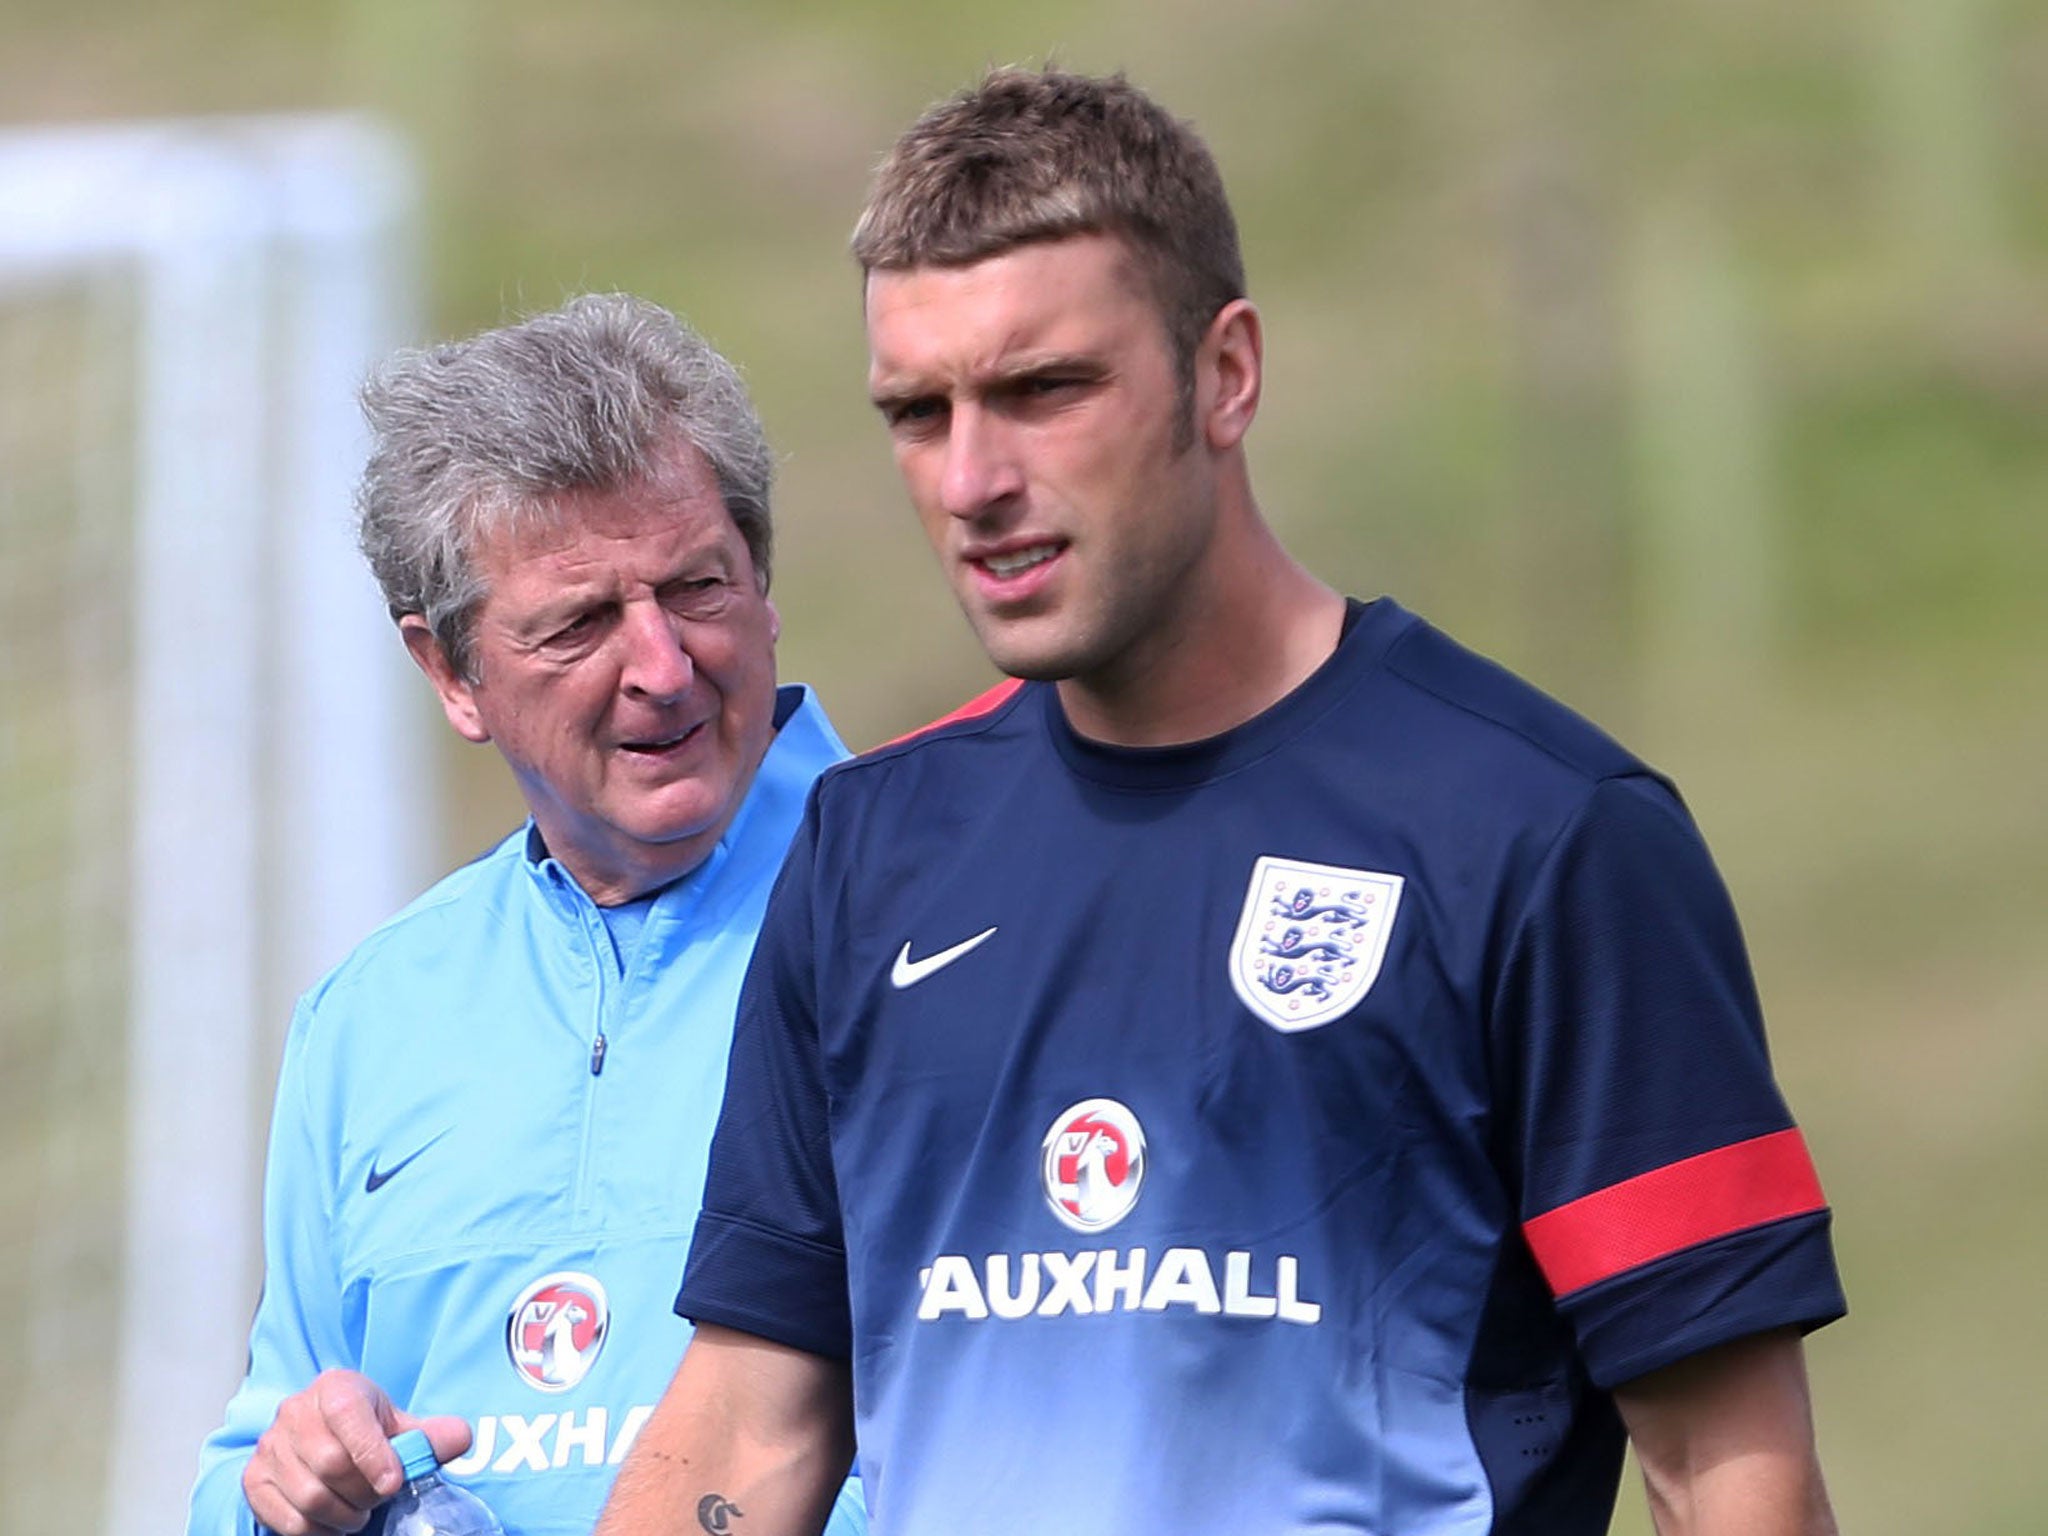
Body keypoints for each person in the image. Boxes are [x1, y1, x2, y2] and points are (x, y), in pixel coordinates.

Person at [597, 69, 1845, 1536]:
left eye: (1044, 389)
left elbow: (1729, 1475)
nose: (974, 477)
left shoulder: (1544, 832)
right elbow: (750, 1422)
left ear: (1226, 373)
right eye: (918, 414)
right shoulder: (872, 853)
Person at [185, 294, 866, 1536]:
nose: (661, 666)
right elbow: (250, 1452)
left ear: (762, 582)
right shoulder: (370, 1014)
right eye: (578, 625)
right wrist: (284, 1485)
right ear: (449, 673)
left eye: (696, 588)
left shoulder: (942, 922)